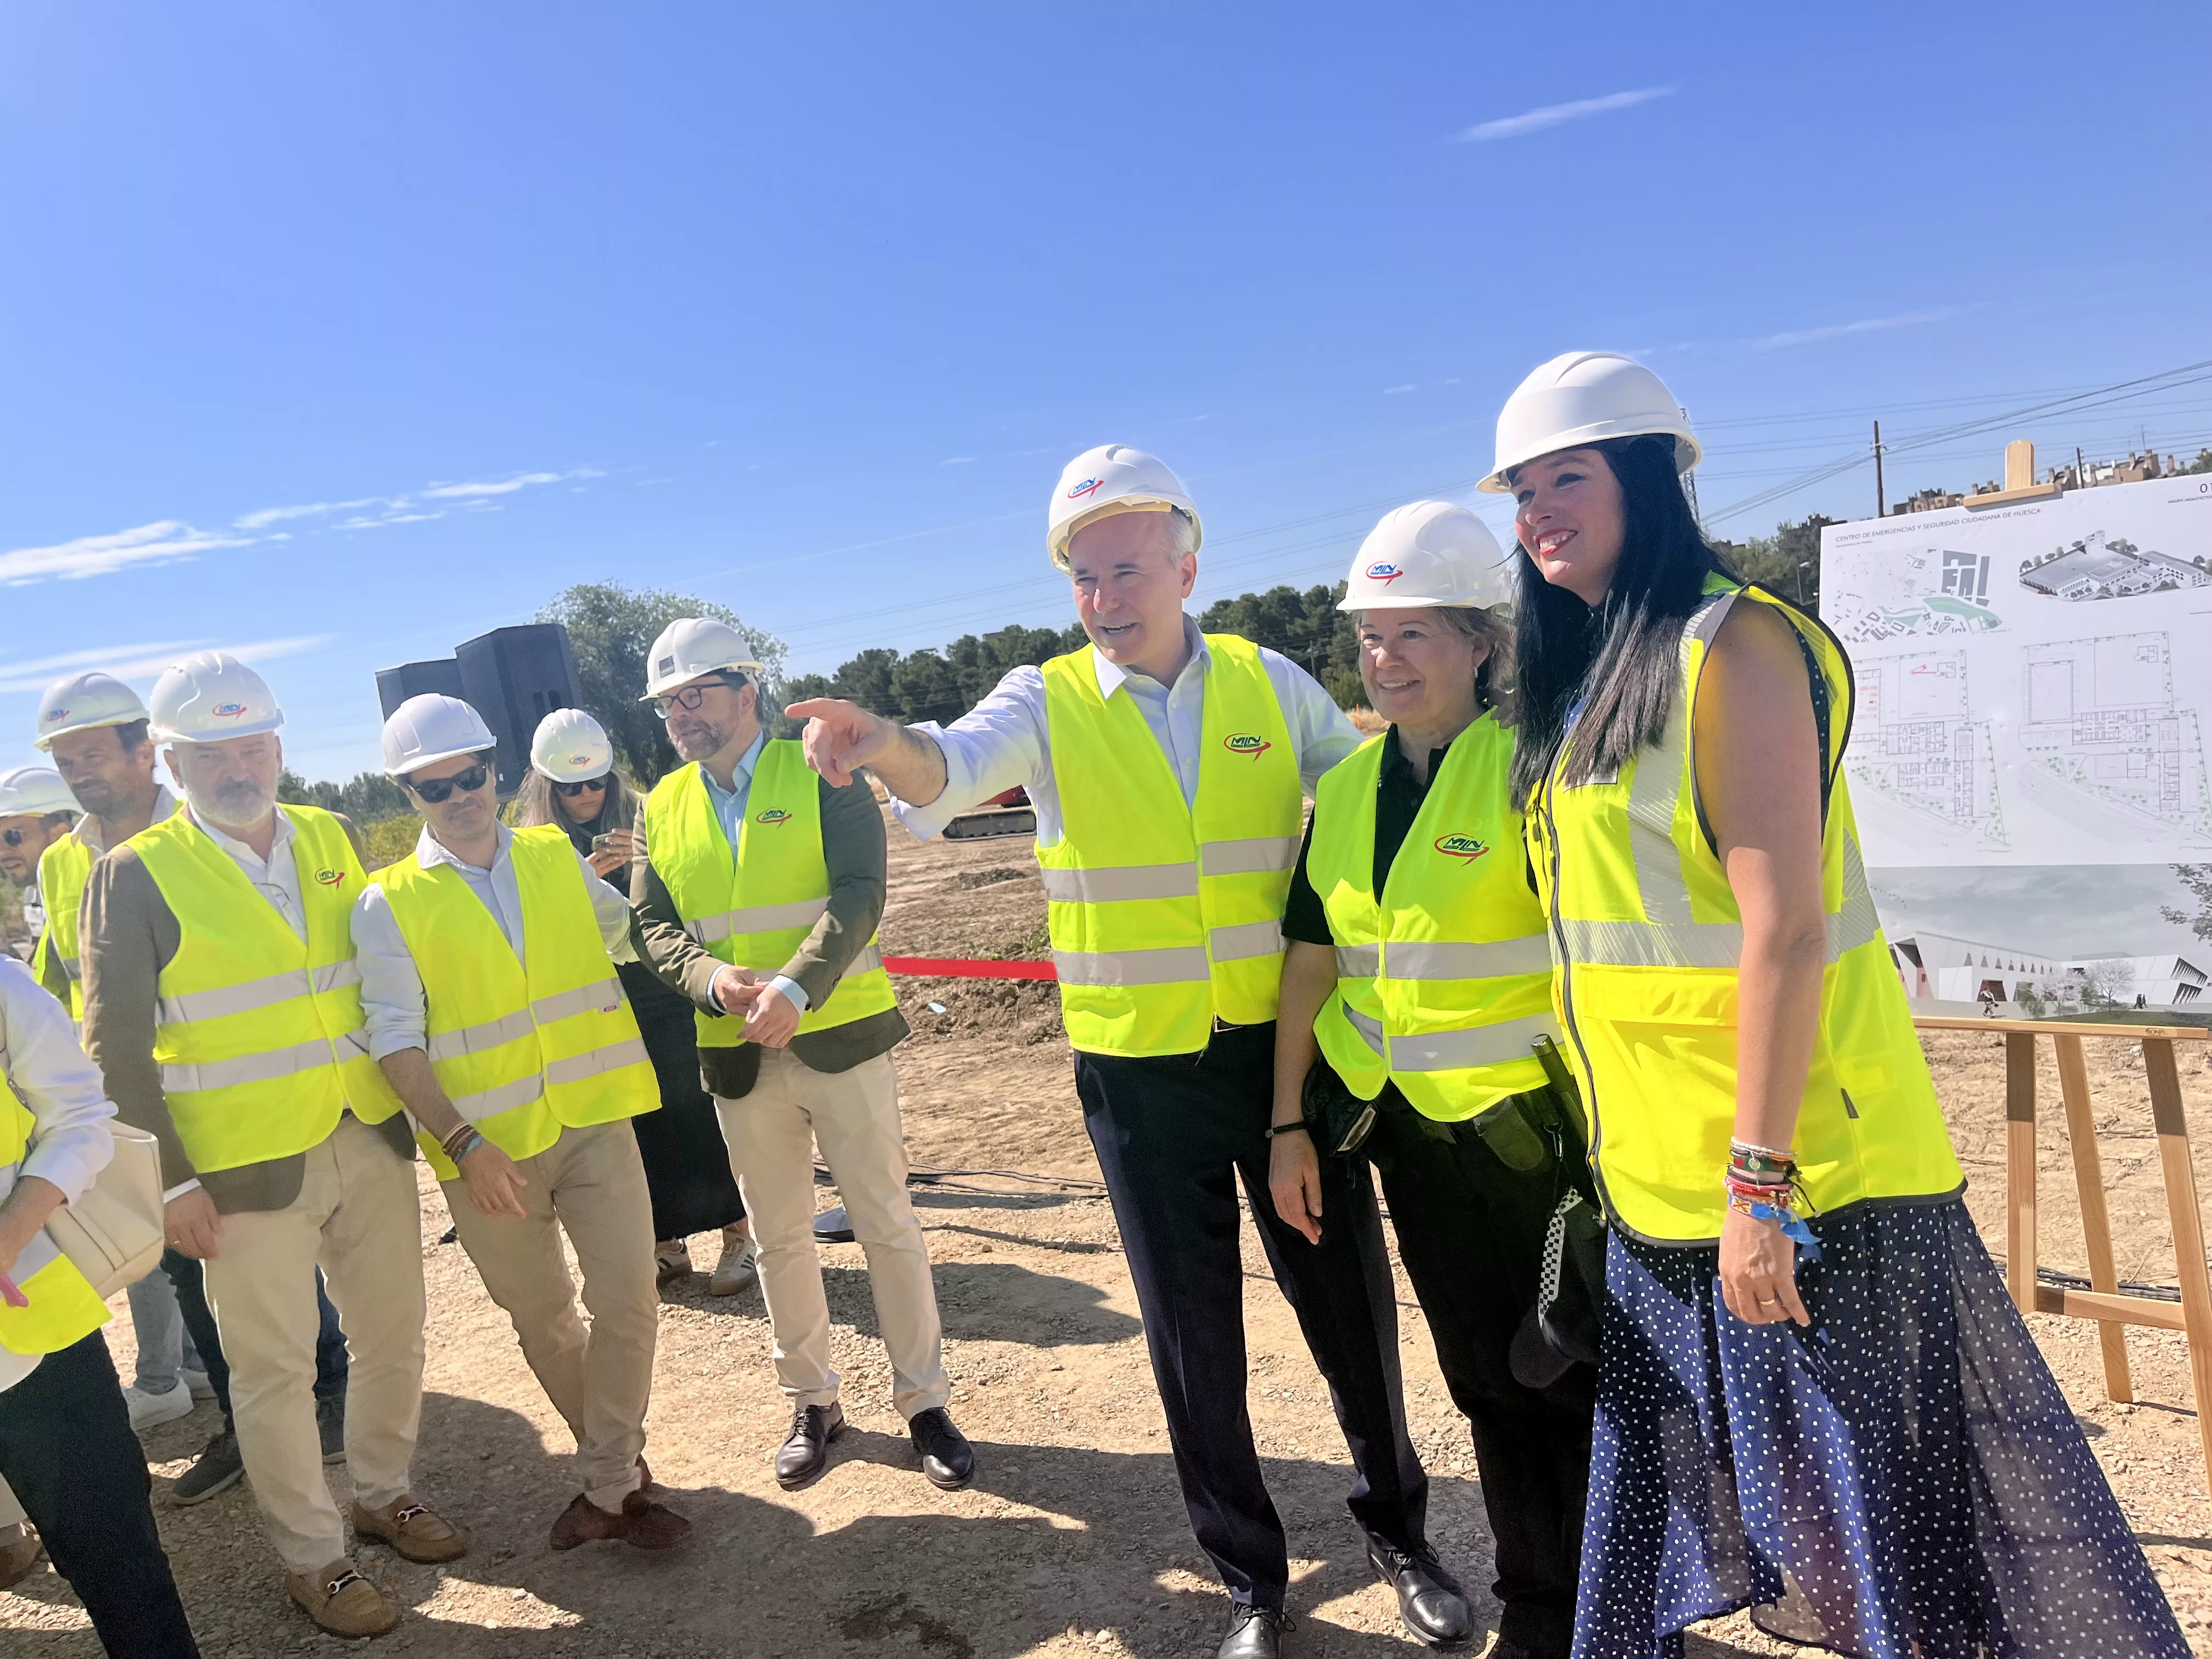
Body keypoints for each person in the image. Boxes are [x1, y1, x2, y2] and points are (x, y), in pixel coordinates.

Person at [1490, 351, 2188, 1658]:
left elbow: (1787, 925)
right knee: (1801, 1535)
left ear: (1650, 478)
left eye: (1567, 478)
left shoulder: (1730, 645)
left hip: (1804, 1188)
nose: (1538, 512)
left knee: (1885, 1550)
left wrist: (1760, 1187)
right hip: (1660, 1185)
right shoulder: (1590, 686)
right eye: (1522, 491)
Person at [789, 445, 1448, 1659]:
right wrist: (881, 739)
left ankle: (1401, 1533)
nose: (1105, 597)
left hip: (1280, 1065)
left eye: (1128, 569)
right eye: (1085, 577)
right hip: (1139, 1078)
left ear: (1187, 567)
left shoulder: (1267, 681)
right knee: (1193, 1338)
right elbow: (949, 766)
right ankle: (1250, 1577)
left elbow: (1367, 797)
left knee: (1346, 1307)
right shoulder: (1045, 701)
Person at [79, 652, 464, 1640]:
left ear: (280, 745)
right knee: (273, 1371)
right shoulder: (133, 873)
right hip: (239, 1173)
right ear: (172, 761)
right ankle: (314, 1558)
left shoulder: (331, 835)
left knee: (392, 1334)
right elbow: (111, 1048)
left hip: (362, 1130)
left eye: (252, 742)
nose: (236, 764)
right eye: (211, 750)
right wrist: (167, 1183)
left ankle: (384, 1493)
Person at [1268, 501, 1596, 1659]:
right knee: (1487, 1385)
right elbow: (1312, 958)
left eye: (1415, 635)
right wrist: (1285, 1125)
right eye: (1370, 637)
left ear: (1483, 643)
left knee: (1574, 1376)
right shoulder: (1349, 790)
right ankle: (1539, 1607)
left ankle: (1613, 1608)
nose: (1386, 660)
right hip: (1413, 1146)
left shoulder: (1541, 770)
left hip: (1544, 1152)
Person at [629, 618, 973, 1496]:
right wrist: (711, 982)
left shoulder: (822, 770)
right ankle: (814, 1404)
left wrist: (794, 987)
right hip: (737, 1054)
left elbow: (863, 890)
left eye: (697, 693)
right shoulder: (660, 806)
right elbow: (654, 928)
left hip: (839, 1036)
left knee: (886, 1225)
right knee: (780, 1238)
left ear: (746, 693)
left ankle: (924, 1405)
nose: (682, 713)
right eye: (669, 701)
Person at [354, 695, 690, 1550]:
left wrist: (665, 873)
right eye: (436, 787)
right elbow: (394, 1042)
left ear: (497, 770)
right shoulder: (386, 902)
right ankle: (619, 1477)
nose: (460, 794)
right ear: (409, 795)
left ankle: (607, 1482)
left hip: (592, 1121)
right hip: (486, 1156)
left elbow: (631, 934)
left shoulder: (550, 856)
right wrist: (464, 1146)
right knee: (545, 1319)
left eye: (471, 775)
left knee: (629, 1300)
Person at [36, 669, 350, 1503]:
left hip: (252, 1112)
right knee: (186, 1272)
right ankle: (245, 1425)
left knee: (280, 1274)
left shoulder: (208, 835)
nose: (80, 773)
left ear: (151, 754)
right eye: (65, 761)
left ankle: (325, 1397)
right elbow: (61, 985)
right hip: (135, 1111)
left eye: (93, 753)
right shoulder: (66, 863)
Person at [511, 708, 755, 1296]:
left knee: (694, 1106)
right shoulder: (529, 846)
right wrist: (583, 884)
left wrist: (645, 863)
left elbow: (689, 891)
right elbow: (531, 931)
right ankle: (665, 1243)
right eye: (571, 787)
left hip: (663, 985)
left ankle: (740, 1236)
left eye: (597, 782)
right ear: (547, 785)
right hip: (599, 998)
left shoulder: (650, 814)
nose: (587, 796)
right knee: (636, 1118)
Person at [0, 952, 201, 1655]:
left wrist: (11, 1230)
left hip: (33, 1338)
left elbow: (81, 1118)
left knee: (120, 1566)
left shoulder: (2, 991)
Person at [0, 765, 77, 963]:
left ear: (60, 834)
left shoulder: (100, 897)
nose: (2, 852)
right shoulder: (53, 900)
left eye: (12, 836)